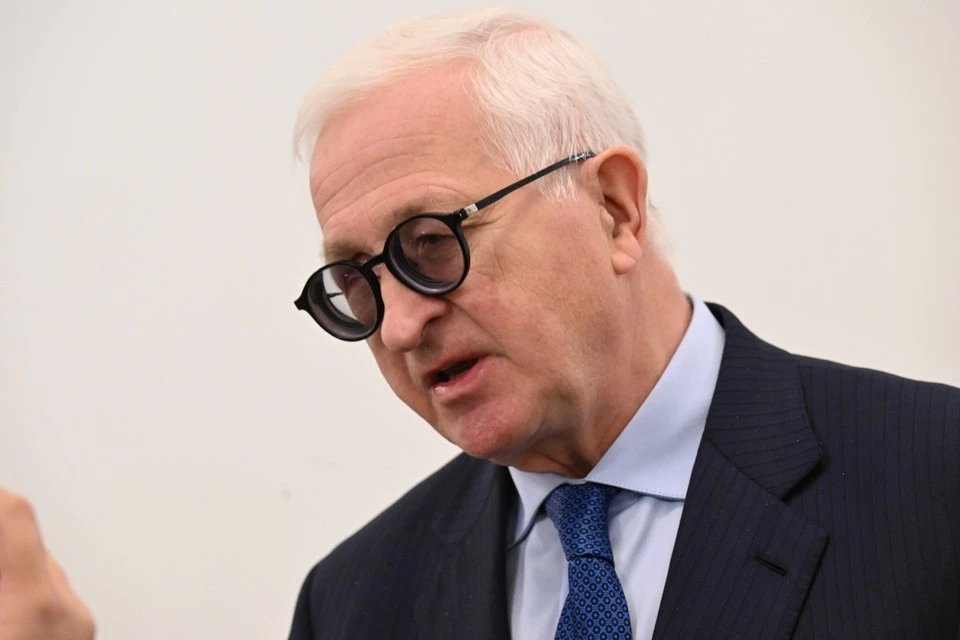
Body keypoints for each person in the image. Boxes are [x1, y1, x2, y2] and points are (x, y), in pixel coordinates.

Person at [2, 8, 957, 640]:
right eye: (357, 280)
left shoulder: (935, 479)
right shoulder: (353, 605)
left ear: (615, 208)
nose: (400, 326)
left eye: (431, 242)